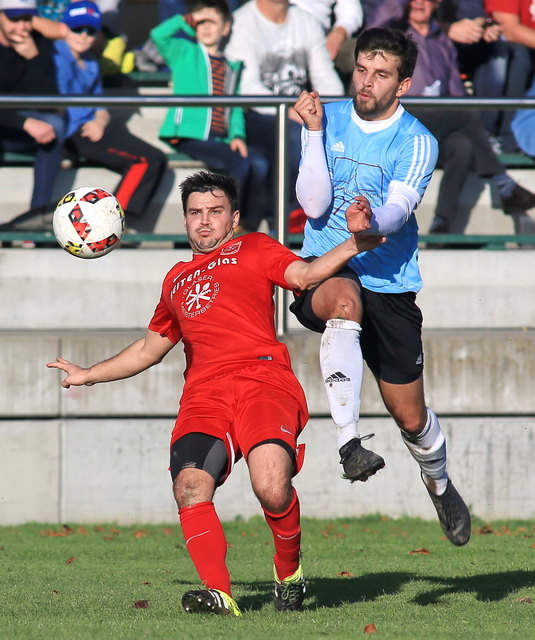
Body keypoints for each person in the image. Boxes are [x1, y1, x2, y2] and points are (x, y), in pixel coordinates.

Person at [46, 171, 384, 615]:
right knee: (189, 486)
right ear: (185, 221)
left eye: (215, 212)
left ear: (234, 217)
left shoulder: (255, 247)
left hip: (263, 381)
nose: (205, 222)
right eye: (195, 213)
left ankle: (289, 573)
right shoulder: (175, 279)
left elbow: (303, 275)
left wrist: (356, 243)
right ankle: (220, 594)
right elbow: (150, 348)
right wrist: (88, 374)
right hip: (204, 395)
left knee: (272, 488)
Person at [290, 27, 472, 546]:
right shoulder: (330, 117)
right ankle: (349, 444)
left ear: (404, 84)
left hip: (390, 282)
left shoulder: (416, 141)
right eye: (362, 69)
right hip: (324, 265)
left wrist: (373, 222)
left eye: (381, 74)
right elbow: (314, 206)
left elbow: (398, 207)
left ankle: (438, 483)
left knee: (411, 416)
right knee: (342, 300)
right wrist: (310, 133)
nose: (366, 82)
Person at [371, 0, 535, 236]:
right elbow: (376, 23)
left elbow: (455, 92)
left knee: (463, 146)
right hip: (402, 116)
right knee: (461, 113)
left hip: (438, 119)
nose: (419, 3)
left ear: (436, 4)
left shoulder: (442, 39)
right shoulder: (394, 35)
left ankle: (441, 223)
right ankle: (504, 184)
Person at [150, 0, 270, 233]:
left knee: (261, 164)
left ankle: (247, 225)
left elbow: (235, 107)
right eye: (200, 21)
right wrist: (184, 22)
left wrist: (237, 135)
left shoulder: (232, 65)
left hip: (221, 137)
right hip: (189, 134)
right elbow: (158, 35)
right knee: (240, 163)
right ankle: (228, 224)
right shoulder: (185, 52)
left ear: (225, 28)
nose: (205, 27)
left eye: (211, 21)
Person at [224, 0, 344, 220]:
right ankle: (282, 217)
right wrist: (291, 110)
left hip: (296, 113)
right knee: (293, 135)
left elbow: (327, 81)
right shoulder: (241, 23)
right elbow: (247, 89)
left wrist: (321, 108)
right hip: (255, 115)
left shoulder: (307, 21)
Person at [0, 0, 66, 221]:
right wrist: (24, 123)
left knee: (55, 126)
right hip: (12, 123)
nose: (22, 27)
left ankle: (35, 218)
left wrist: (34, 58)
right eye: (14, 19)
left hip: (19, 129)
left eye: (27, 19)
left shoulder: (38, 44)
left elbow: (47, 102)